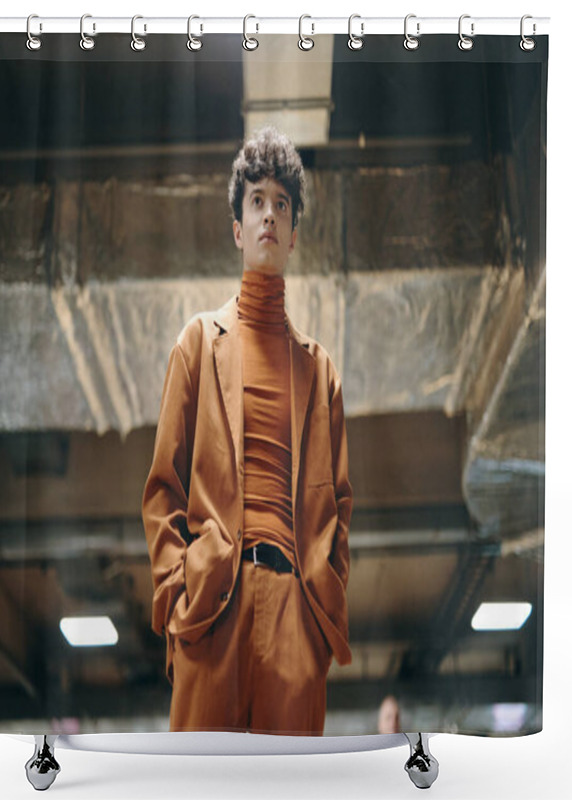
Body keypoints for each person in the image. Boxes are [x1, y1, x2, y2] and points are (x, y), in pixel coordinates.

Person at [143, 127, 352, 735]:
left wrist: (320, 618)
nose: (268, 215)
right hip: (212, 602)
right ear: (238, 229)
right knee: (199, 785)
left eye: (281, 205)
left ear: (293, 235)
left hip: (296, 611)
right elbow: (162, 489)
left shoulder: (319, 369)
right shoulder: (198, 343)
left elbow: (341, 505)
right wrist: (176, 592)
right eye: (257, 201)